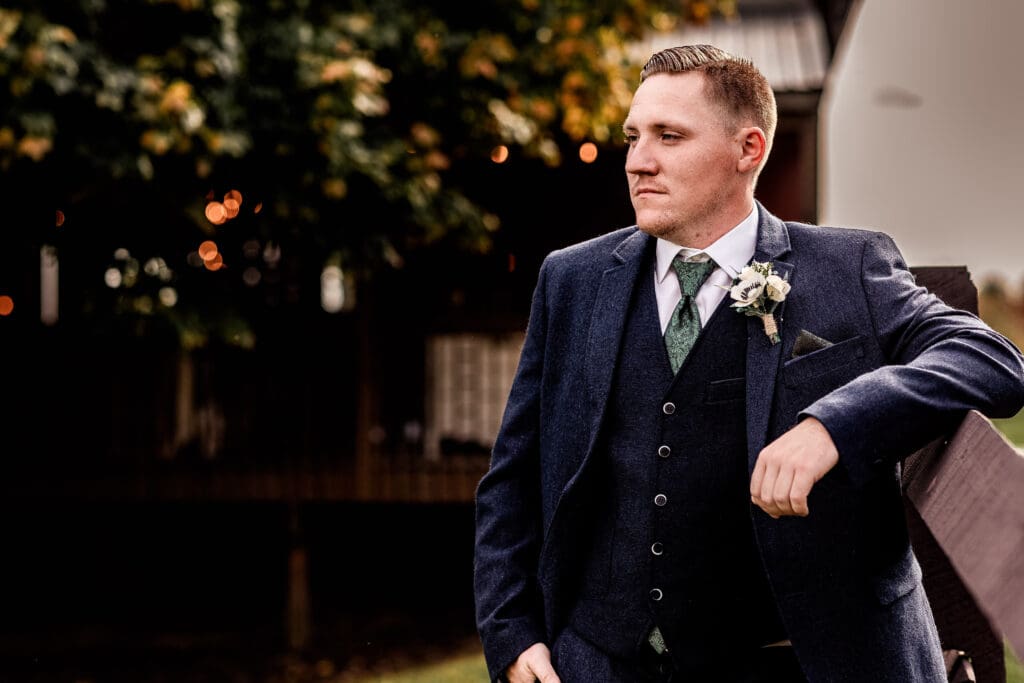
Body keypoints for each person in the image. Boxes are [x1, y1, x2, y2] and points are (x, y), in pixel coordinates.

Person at [472, 43, 1024, 683]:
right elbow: (512, 480)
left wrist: (833, 427)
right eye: (633, 136)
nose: (638, 161)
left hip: (806, 662)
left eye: (669, 136)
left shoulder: (849, 268)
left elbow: (990, 357)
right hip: (599, 662)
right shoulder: (572, 279)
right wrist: (513, 637)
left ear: (749, 150)